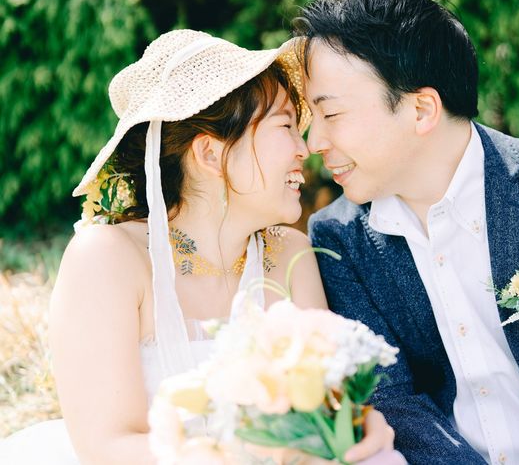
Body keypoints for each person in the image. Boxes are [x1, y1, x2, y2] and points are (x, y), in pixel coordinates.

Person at [0, 30, 397, 464]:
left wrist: (353, 427)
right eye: (286, 126)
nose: (306, 150)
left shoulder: (291, 257)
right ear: (210, 153)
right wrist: (256, 454)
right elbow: (108, 447)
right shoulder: (107, 259)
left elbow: (325, 413)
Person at [294, 0, 519, 465]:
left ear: (422, 109)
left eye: (331, 115)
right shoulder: (338, 238)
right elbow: (393, 402)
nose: (314, 142)